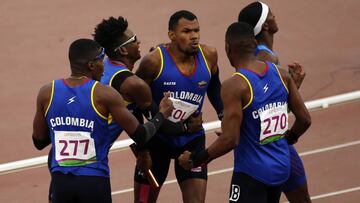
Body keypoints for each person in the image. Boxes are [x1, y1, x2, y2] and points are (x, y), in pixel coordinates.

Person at [178, 22, 311, 203]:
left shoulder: (235, 85)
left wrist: (195, 159)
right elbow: (304, 119)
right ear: (255, 45)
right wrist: (289, 138)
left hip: (252, 174)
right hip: (281, 168)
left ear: (228, 49)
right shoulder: (282, 74)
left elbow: (230, 140)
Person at [32, 38, 174, 203]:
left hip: (61, 181)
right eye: (101, 60)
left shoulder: (47, 92)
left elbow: (39, 141)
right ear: (91, 65)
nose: (104, 65)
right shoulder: (105, 94)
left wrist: (65, 122)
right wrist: (162, 113)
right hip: (94, 181)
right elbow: (141, 135)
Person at [92, 16, 203, 179]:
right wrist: (185, 128)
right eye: (134, 40)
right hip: (92, 160)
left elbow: (131, 107)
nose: (139, 42)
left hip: (65, 157)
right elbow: (159, 126)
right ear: (123, 50)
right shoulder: (133, 85)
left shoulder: (106, 66)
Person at [133, 10, 224, 203]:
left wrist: (225, 117)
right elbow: (135, 102)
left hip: (192, 140)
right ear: (171, 35)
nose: (194, 36)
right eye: (187, 31)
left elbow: (215, 88)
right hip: (157, 141)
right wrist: (142, 148)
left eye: (197, 30)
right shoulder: (153, 62)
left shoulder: (209, 56)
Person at [238, 2, 310, 202]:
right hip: (272, 146)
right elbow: (268, 108)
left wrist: (292, 86)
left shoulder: (259, 55)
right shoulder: (265, 58)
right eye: (271, 14)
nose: (275, 16)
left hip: (267, 144)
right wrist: (290, 137)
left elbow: (268, 103)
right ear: (265, 25)